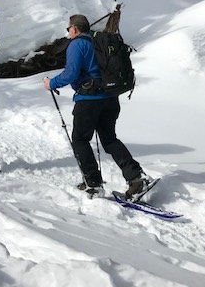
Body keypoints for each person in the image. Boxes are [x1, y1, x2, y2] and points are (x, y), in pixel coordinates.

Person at [43, 14, 149, 199]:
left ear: (75, 29)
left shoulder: (77, 44)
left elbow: (71, 73)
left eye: (68, 29)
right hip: (110, 98)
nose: (68, 32)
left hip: (89, 100)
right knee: (109, 139)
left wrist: (51, 83)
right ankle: (136, 178)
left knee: (80, 139)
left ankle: (93, 183)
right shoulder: (98, 41)